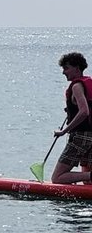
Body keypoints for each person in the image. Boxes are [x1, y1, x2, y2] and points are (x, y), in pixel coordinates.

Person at [51, 52, 92, 184]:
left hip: (81, 137)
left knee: (57, 178)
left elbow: (84, 112)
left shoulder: (76, 86)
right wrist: (71, 110)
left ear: (77, 68)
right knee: (87, 183)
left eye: (66, 68)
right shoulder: (89, 83)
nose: (64, 72)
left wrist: (64, 131)